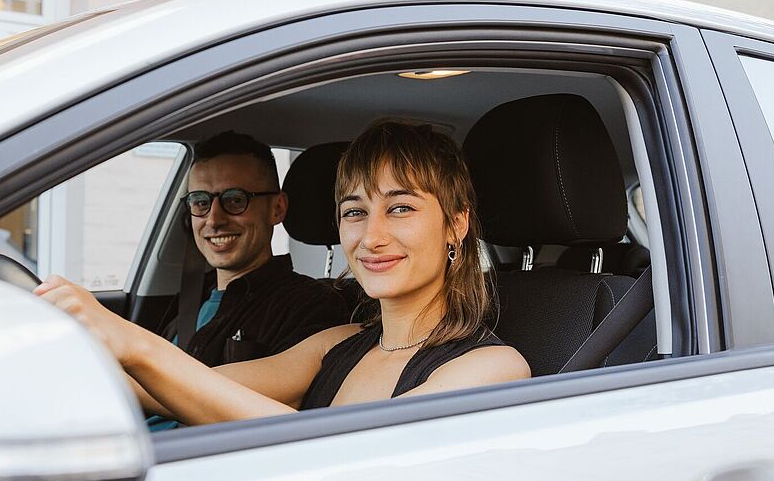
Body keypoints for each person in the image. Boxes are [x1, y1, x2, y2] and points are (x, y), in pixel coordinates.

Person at [36, 121, 530, 426]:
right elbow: (202, 386)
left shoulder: (492, 369)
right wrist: (59, 370)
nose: (371, 237)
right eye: (355, 212)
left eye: (400, 209)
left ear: (457, 223)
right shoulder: (337, 343)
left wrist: (133, 342)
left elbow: (339, 454)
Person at [166, 130, 347, 366]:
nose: (213, 220)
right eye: (201, 202)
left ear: (277, 208)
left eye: (235, 200)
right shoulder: (186, 301)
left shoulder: (310, 306)